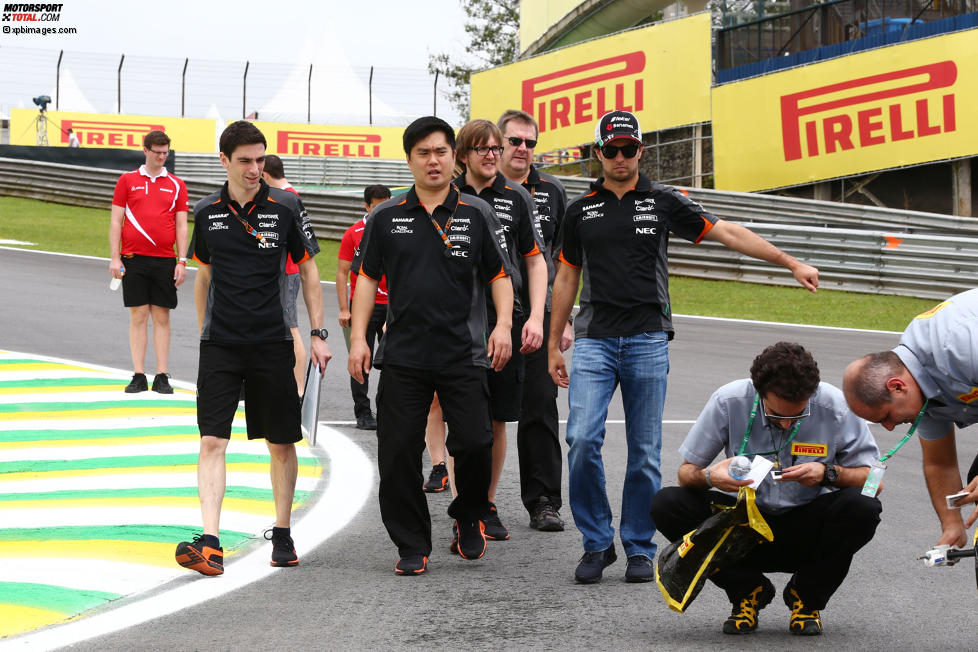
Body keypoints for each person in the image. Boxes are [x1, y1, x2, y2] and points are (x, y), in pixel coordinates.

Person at [548, 110, 820, 585]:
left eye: (628, 149)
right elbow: (567, 275)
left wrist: (788, 261)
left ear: (640, 151)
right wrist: (554, 343)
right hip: (593, 339)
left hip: (648, 337)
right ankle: (596, 543)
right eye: (609, 150)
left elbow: (728, 232)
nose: (619, 157)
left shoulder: (663, 201)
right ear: (597, 154)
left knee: (645, 449)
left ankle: (637, 545)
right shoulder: (579, 210)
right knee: (582, 439)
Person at [348, 116, 513, 576]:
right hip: (403, 354)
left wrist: (502, 326)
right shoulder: (387, 216)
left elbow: (499, 276)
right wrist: (359, 338)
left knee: (477, 443)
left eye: (440, 151)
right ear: (409, 160)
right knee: (397, 450)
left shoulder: (477, 213)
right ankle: (411, 542)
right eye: (423, 153)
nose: (433, 160)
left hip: (463, 353)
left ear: (453, 156)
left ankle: (467, 515)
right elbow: (365, 279)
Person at [175, 121, 330, 576]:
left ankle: (282, 532)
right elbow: (204, 274)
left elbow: (309, 271)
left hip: (272, 343)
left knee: (281, 443)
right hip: (221, 345)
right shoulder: (206, 212)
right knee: (211, 440)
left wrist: (317, 334)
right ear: (224, 161)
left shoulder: (286, 205)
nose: (254, 169)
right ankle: (211, 542)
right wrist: (205, 329)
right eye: (245, 161)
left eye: (260, 160)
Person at [651, 342, 881, 636]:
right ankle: (747, 590)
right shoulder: (729, 400)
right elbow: (686, 474)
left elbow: (875, 481)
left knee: (864, 506)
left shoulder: (835, 405)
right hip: (745, 526)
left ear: (812, 394)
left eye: (797, 416)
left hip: (807, 526)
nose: (786, 424)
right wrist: (711, 476)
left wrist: (829, 473)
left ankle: (805, 596)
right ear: (758, 392)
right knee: (666, 503)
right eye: (776, 414)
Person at [452, 118, 547, 541]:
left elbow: (535, 260)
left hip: (507, 319)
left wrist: (536, 317)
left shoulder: (518, 197)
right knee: (462, 420)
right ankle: (464, 508)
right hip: (458, 322)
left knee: (497, 419)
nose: (492, 155)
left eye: (496, 148)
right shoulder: (448, 196)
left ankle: (485, 502)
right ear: (463, 155)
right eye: (482, 149)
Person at [843, 288, 978, 548]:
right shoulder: (918, 386)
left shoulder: (962, 347)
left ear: (897, 387)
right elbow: (940, 463)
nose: (890, 427)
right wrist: (952, 523)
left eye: (886, 416)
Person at [497, 108, 573, 532]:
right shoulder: (473, 188)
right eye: (515, 141)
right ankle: (476, 502)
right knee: (478, 412)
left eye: (530, 142)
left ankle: (543, 500)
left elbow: (565, 261)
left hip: (540, 317)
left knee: (541, 407)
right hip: (485, 319)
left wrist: (563, 323)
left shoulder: (552, 190)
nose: (523, 149)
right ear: (498, 142)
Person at [109, 130, 189, 395]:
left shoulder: (177, 183)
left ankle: (162, 375)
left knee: (162, 316)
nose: (162, 157)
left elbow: (181, 225)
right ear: (146, 150)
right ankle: (139, 374)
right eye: (157, 152)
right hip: (133, 258)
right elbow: (116, 221)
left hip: (165, 259)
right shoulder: (127, 180)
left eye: (165, 152)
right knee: (139, 315)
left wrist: (181, 260)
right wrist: (114, 257)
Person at [261, 154, 317, 397]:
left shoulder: (289, 198)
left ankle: (298, 389)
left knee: (290, 326)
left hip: (289, 270)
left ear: (265, 174)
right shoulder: (287, 194)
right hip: (282, 270)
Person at [337, 184, 391, 429]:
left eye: (386, 203)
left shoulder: (398, 228)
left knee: (393, 361)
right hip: (362, 306)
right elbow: (341, 272)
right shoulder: (353, 233)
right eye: (377, 204)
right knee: (360, 360)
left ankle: (388, 409)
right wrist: (343, 308)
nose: (382, 208)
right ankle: (363, 412)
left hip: (393, 306)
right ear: (367, 206)